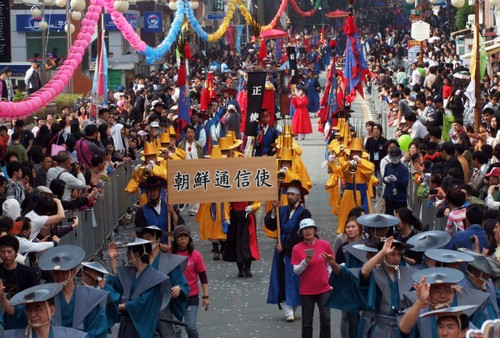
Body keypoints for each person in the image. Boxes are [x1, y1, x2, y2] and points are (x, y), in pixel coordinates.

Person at [264, 179, 311, 322]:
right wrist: (273, 210)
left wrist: (285, 246)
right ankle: (288, 308)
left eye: (293, 194)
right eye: (288, 194)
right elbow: (271, 226)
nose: (289, 196)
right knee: (282, 276)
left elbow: (301, 232)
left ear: (298, 196)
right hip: (280, 246)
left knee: (294, 277)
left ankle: (293, 305)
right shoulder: (281, 209)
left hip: (295, 247)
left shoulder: (304, 212)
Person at [36, 245, 108, 337]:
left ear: (73, 272)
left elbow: (98, 328)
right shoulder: (46, 297)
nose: (59, 276)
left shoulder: (91, 297)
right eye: (55, 272)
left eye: (63, 272)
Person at [107, 238, 171, 338]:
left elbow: (142, 303)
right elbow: (119, 282)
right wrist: (113, 259)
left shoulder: (154, 278)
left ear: (136, 254)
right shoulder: (131, 272)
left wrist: (119, 306)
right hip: (127, 328)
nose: (127, 255)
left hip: (142, 329)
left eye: (129, 252)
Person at [135, 226, 189, 338]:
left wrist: (179, 288)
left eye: (148, 238)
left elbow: (183, 284)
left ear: (158, 240)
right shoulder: (139, 261)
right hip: (143, 309)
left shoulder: (168, 261)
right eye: (144, 239)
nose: (146, 241)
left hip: (162, 309)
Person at [291, 218, 333, 338]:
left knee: (326, 320)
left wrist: (331, 283)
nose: (308, 231)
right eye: (304, 229)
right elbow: (296, 271)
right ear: (301, 232)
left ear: (315, 230)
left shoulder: (325, 245)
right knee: (307, 323)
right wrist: (305, 262)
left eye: (310, 228)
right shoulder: (297, 248)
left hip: (324, 288)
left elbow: (331, 264)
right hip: (307, 290)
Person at [3, 283, 87, 338]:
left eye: (37, 309)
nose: (32, 315)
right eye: (28, 310)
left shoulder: (73, 336)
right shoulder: (11, 336)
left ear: (51, 310)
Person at [172, 225, 209, 338]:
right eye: (180, 236)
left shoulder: (195, 255)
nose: (183, 239)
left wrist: (206, 296)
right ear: (175, 239)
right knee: (175, 328)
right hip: (174, 297)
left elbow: (203, 276)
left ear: (189, 239)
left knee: (190, 327)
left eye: (185, 236)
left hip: (191, 295)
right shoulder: (170, 255)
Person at [333, 138, 375, 233]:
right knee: (347, 214)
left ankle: (365, 232)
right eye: (353, 152)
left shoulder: (366, 163)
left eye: (358, 152)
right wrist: (350, 164)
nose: (355, 154)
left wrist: (360, 162)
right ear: (350, 153)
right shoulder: (346, 163)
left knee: (365, 215)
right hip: (349, 193)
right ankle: (345, 231)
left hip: (363, 192)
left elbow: (370, 170)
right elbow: (344, 172)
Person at [134, 175, 184, 251]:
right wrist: (158, 245)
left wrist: (173, 212)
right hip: (151, 251)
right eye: (150, 190)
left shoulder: (168, 206)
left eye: (155, 190)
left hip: (169, 248)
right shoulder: (141, 212)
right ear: (147, 192)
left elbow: (182, 227)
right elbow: (140, 235)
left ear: (160, 191)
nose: (153, 193)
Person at [224, 199, 261, 278]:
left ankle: (248, 268)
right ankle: (240, 268)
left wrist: (252, 207)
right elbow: (226, 201)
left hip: (247, 215)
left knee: (248, 242)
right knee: (236, 242)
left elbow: (258, 199)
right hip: (235, 216)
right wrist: (227, 216)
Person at [382, 147, 409, 214]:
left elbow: (404, 184)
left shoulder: (404, 169)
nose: (393, 159)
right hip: (389, 196)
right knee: (388, 218)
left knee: (400, 218)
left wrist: (396, 180)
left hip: (400, 198)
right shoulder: (388, 166)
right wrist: (385, 179)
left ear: (399, 156)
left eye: (395, 157)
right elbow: (384, 177)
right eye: (392, 157)